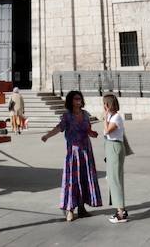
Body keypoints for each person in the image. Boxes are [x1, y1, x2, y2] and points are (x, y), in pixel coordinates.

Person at [40, 90, 102, 222]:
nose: (78, 100)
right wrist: (47, 136)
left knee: (85, 179)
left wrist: (92, 134)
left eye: (79, 98)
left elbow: (88, 130)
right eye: (75, 99)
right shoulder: (67, 116)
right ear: (70, 101)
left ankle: (82, 208)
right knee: (72, 181)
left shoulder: (85, 114)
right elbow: (59, 128)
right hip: (73, 153)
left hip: (86, 152)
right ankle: (69, 209)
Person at [102, 94, 130, 223]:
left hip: (114, 147)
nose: (103, 106)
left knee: (115, 179)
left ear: (108, 105)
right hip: (110, 147)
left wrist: (104, 117)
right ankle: (119, 209)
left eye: (104, 104)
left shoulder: (116, 117)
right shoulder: (111, 116)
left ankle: (121, 212)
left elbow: (107, 131)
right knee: (112, 179)